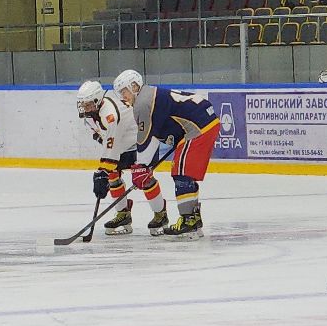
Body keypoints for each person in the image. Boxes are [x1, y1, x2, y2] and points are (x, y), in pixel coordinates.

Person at [116, 70, 219, 239]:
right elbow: (155, 136)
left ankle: (188, 221)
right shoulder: (148, 96)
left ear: (134, 86)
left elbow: (145, 138)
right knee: (184, 173)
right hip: (202, 123)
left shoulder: (142, 103)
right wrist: (144, 167)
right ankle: (193, 219)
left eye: (124, 91)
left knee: (181, 173)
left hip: (198, 127)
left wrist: (141, 167)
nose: (123, 96)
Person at [75, 77, 163, 237]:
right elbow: (104, 139)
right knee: (112, 175)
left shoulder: (110, 115)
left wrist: (102, 171)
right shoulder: (90, 115)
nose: (84, 107)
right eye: (82, 104)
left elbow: (111, 146)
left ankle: (160, 215)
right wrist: (104, 172)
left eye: (87, 104)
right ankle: (123, 214)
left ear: (97, 100)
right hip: (122, 146)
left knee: (143, 177)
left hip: (141, 142)